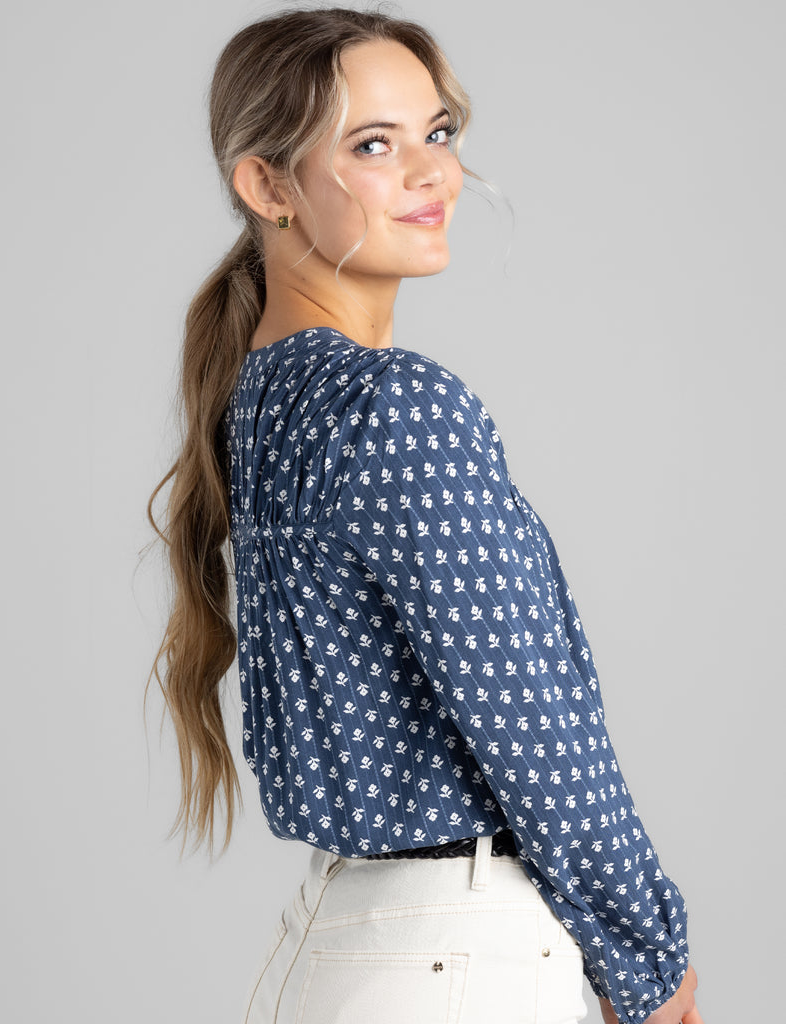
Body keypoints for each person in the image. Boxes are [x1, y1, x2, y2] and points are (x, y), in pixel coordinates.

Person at [148, 8, 702, 1023]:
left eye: (437, 133)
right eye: (373, 145)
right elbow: (534, 725)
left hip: (351, 948)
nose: (433, 174)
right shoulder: (391, 405)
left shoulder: (267, 399)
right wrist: (648, 960)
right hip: (458, 961)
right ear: (266, 186)